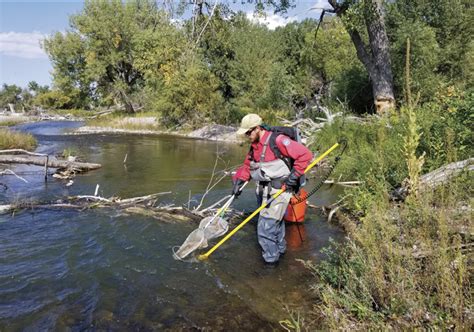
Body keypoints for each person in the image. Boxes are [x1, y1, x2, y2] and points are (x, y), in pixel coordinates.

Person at [232, 114, 313, 266]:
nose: (247, 136)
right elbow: (248, 166)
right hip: (263, 190)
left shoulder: (278, 140)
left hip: (280, 190)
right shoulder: (255, 145)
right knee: (276, 223)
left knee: (265, 228)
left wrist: (294, 176)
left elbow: (305, 155)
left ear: (257, 128)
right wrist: (239, 181)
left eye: (248, 132)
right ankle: (280, 253)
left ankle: (270, 264)